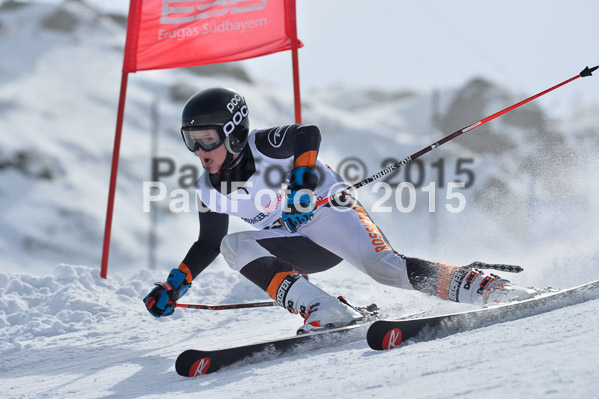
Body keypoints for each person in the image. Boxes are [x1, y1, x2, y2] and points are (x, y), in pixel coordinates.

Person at [143, 87, 535, 332]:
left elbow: (306, 134)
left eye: (207, 140)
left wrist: (299, 187)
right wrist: (176, 283)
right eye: (191, 142)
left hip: (331, 214)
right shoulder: (207, 188)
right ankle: (323, 309)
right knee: (232, 243)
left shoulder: (263, 146)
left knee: (386, 270)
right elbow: (208, 242)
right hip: (297, 244)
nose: (199, 152)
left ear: (234, 133)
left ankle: (488, 288)